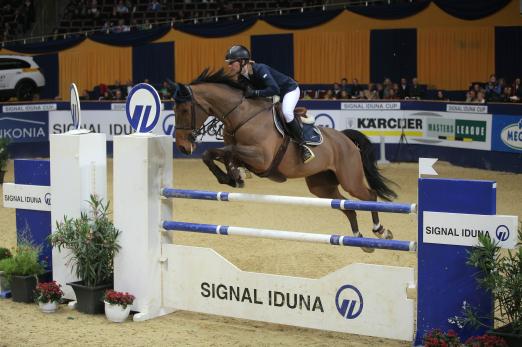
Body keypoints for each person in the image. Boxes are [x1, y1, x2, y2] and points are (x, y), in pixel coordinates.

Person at [225, 44, 314, 164]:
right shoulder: (241, 77)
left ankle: (303, 146)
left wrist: (254, 92)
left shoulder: (260, 69)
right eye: (228, 63)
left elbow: (274, 89)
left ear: (242, 61)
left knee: (287, 113)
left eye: (231, 62)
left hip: (289, 90)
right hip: (272, 95)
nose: (229, 66)